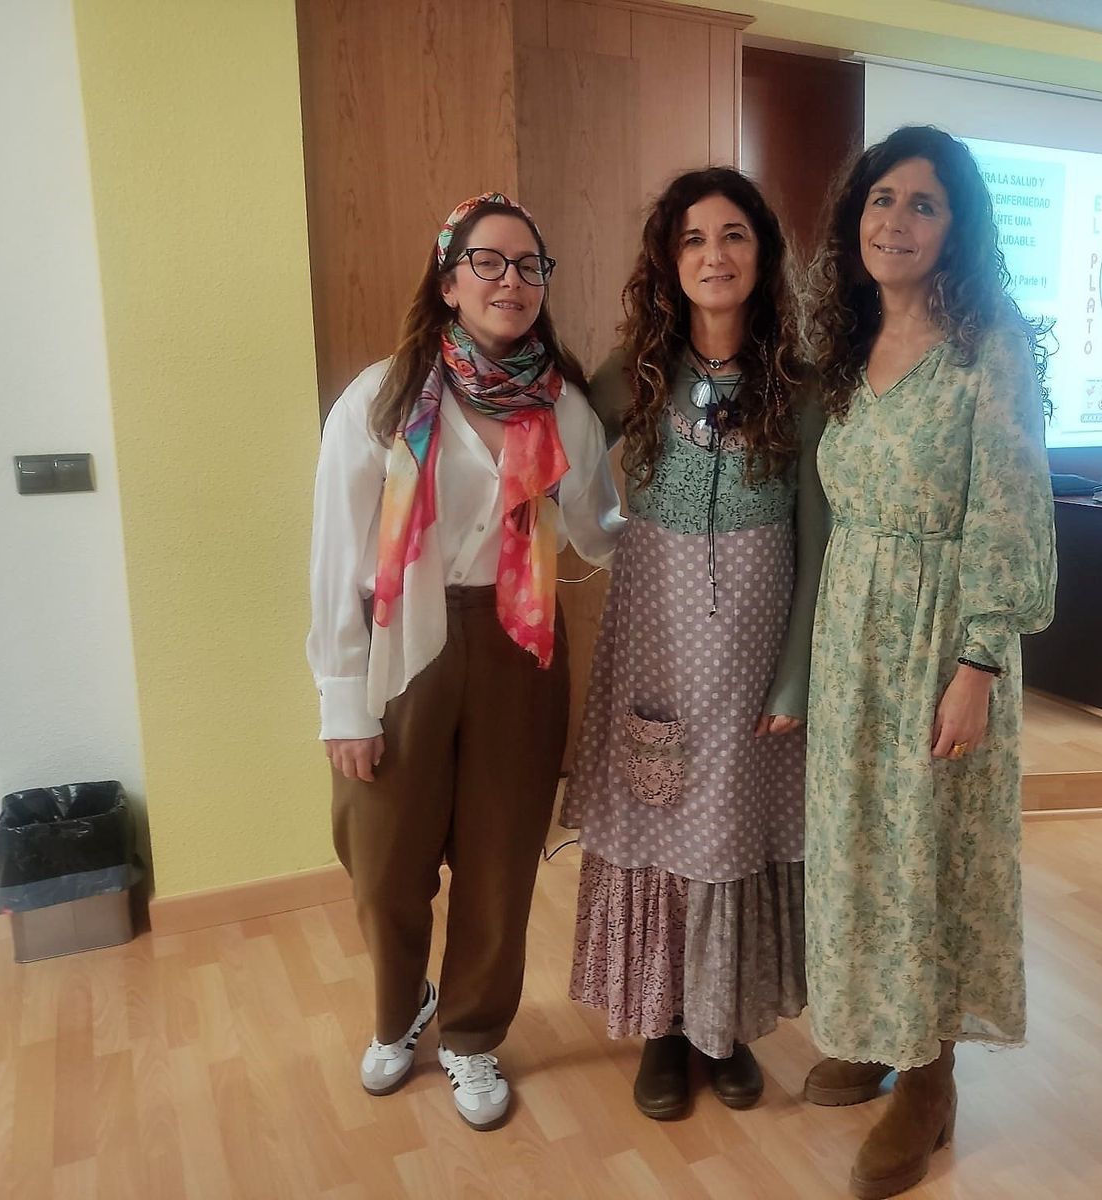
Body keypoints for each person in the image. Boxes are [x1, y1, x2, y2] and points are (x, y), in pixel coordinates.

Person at [307, 193, 623, 1131]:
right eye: (488, 262)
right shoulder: (381, 399)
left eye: (529, 265)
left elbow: (596, 531)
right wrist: (341, 699)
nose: (511, 281)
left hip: (520, 643)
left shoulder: (563, 406)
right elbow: (335, 552)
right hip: (400, 641)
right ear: (448, 282)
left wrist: (672, 500)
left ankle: (475, 1037)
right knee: (384, 856)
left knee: (498, 861)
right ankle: (401, 1011)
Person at [800, 127, 1057, 1198]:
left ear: (958, 229)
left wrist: (978, 664)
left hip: (939, 633)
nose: (894, 222)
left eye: (922, 205)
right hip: (850, 631)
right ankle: (870, 1024)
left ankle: (929, 1077)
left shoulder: (987, 344)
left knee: (928, 856)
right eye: (880, 200)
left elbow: (1011, 506)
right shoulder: (845, 343)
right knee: (859, 843)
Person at [561, 167, 823, 1120]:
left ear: (763, 254)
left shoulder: (801, 382)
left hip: (756, 661)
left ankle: (731, 1027)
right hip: (656, 652)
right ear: (670, 264)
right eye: (694, 241)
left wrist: (795, 677)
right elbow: (563, 436)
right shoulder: (639, 369)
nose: (715, 256)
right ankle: (665, 1035)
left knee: (735, 837)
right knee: (662, 824)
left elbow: (817, 539)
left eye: (735, 236)